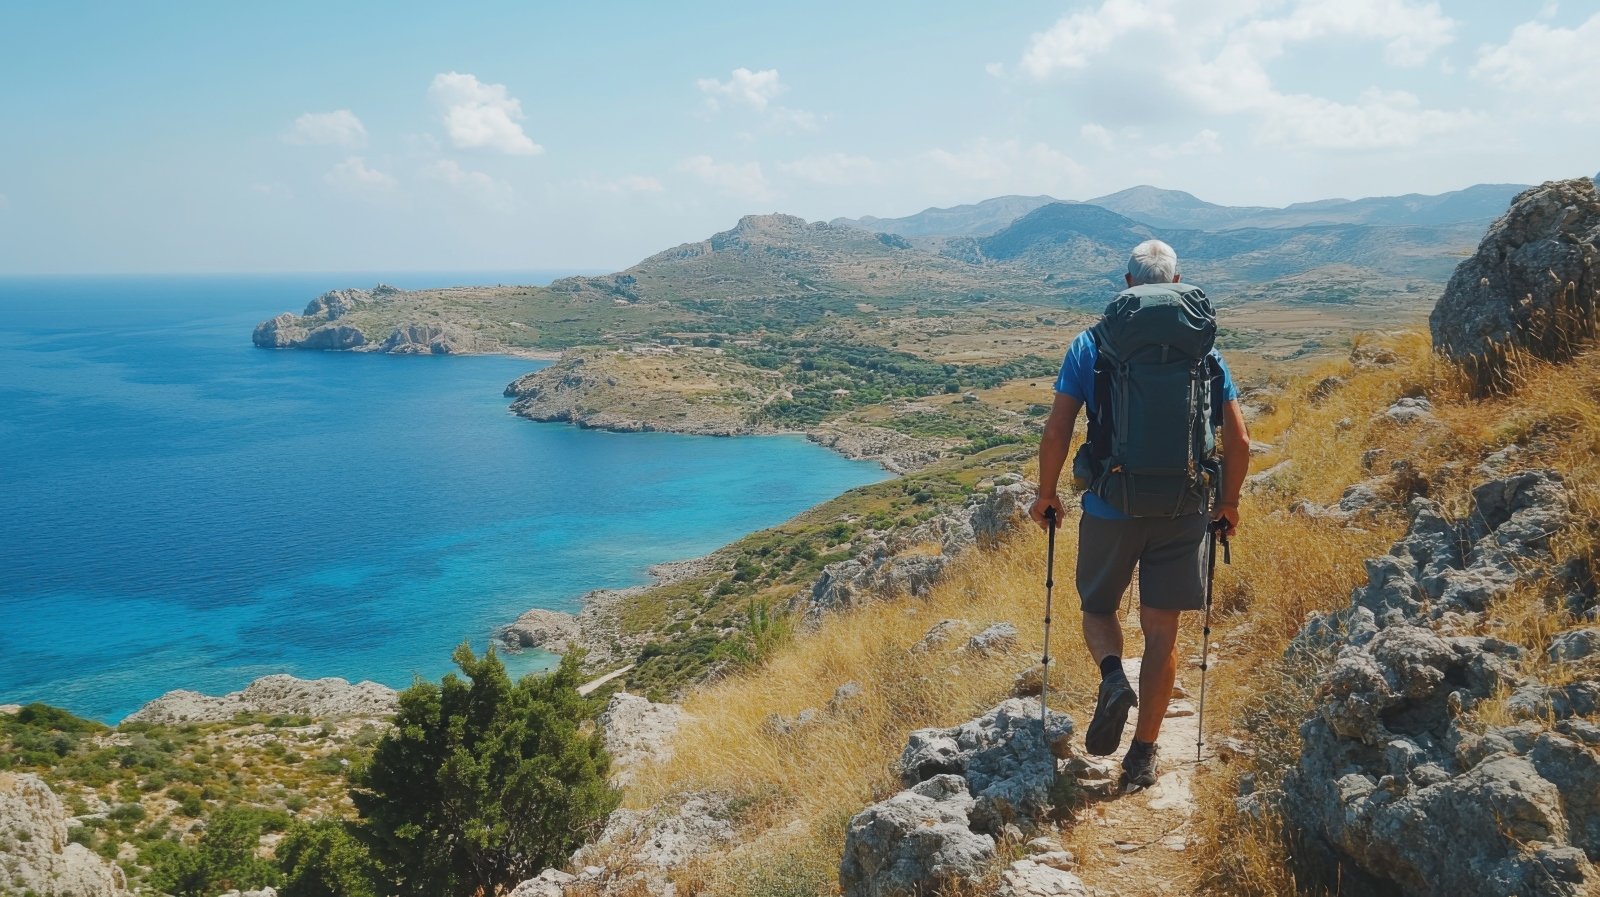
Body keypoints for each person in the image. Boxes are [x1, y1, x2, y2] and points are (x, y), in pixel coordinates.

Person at [1029, 239, 1250, 789]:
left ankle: (1111, 676)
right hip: (1184, 507)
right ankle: (1144, 755)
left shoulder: (1092, 344)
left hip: (1110, 502)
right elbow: (1240, 440)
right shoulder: (1205, 352)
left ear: (1128, 284)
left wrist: (1047, 493)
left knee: (1097, 607)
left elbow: (1058, 430)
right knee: (1162, 634)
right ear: (1176, 284)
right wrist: (1228, 504)